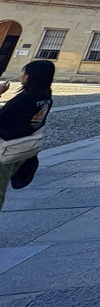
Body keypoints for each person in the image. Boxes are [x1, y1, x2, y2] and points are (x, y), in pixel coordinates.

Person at [0, 60, 54, 213]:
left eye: (23, 71)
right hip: (22, 148)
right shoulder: (46, 98)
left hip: (6, 147)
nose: (21, 74)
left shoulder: (25, 99)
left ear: (30, 76)